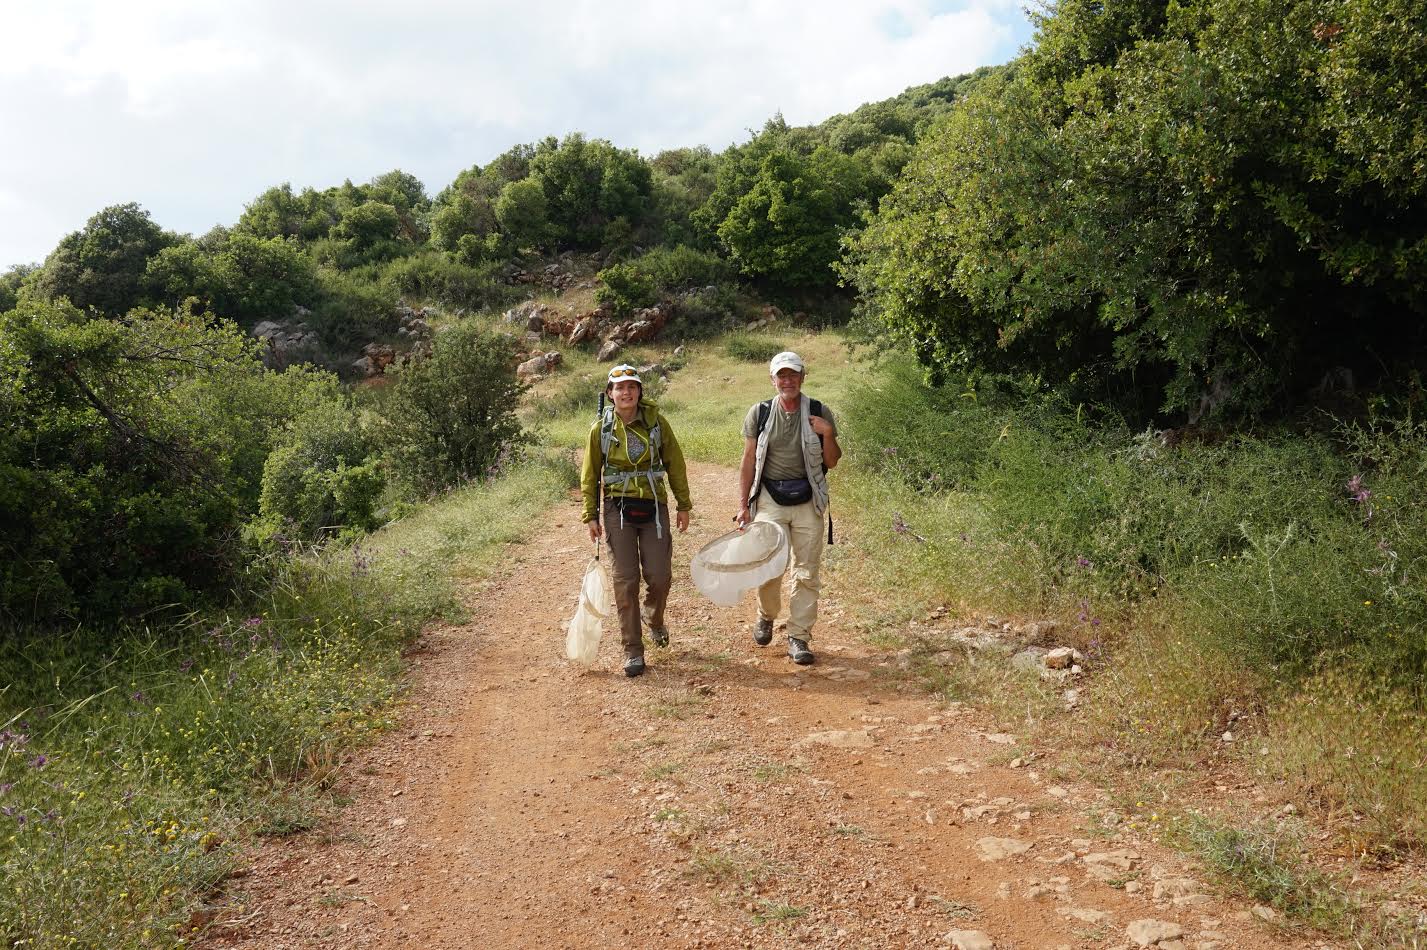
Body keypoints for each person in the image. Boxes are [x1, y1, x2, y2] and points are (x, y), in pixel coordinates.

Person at [582, 364, 692, 677]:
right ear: (610, 394)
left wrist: (683, 504)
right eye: (620, 388)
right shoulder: (600, 430)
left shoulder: (657, 424)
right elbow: (590, 475)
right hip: (617, 508)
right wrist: (590, 514)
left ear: (639, 392)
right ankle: (632, 649)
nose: (626, 392)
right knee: (625, 579)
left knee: (660, 575)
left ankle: (654, 618)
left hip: (654, 505)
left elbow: (676, 464)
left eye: (632, 386)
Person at [736, 350, 841, 665]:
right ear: (773, 379)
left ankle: (799, 637)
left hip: (809, 498)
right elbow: (748, 462)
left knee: (807, 572)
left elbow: (832, 462)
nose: (787, 381)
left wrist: (828, 433)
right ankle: (766, 614)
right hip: (769, 496)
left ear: (802, 377)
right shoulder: (761, 413)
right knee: (771, 564)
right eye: (781, 375)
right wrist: (743, 506)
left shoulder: (820, 412)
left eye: (793, 374)